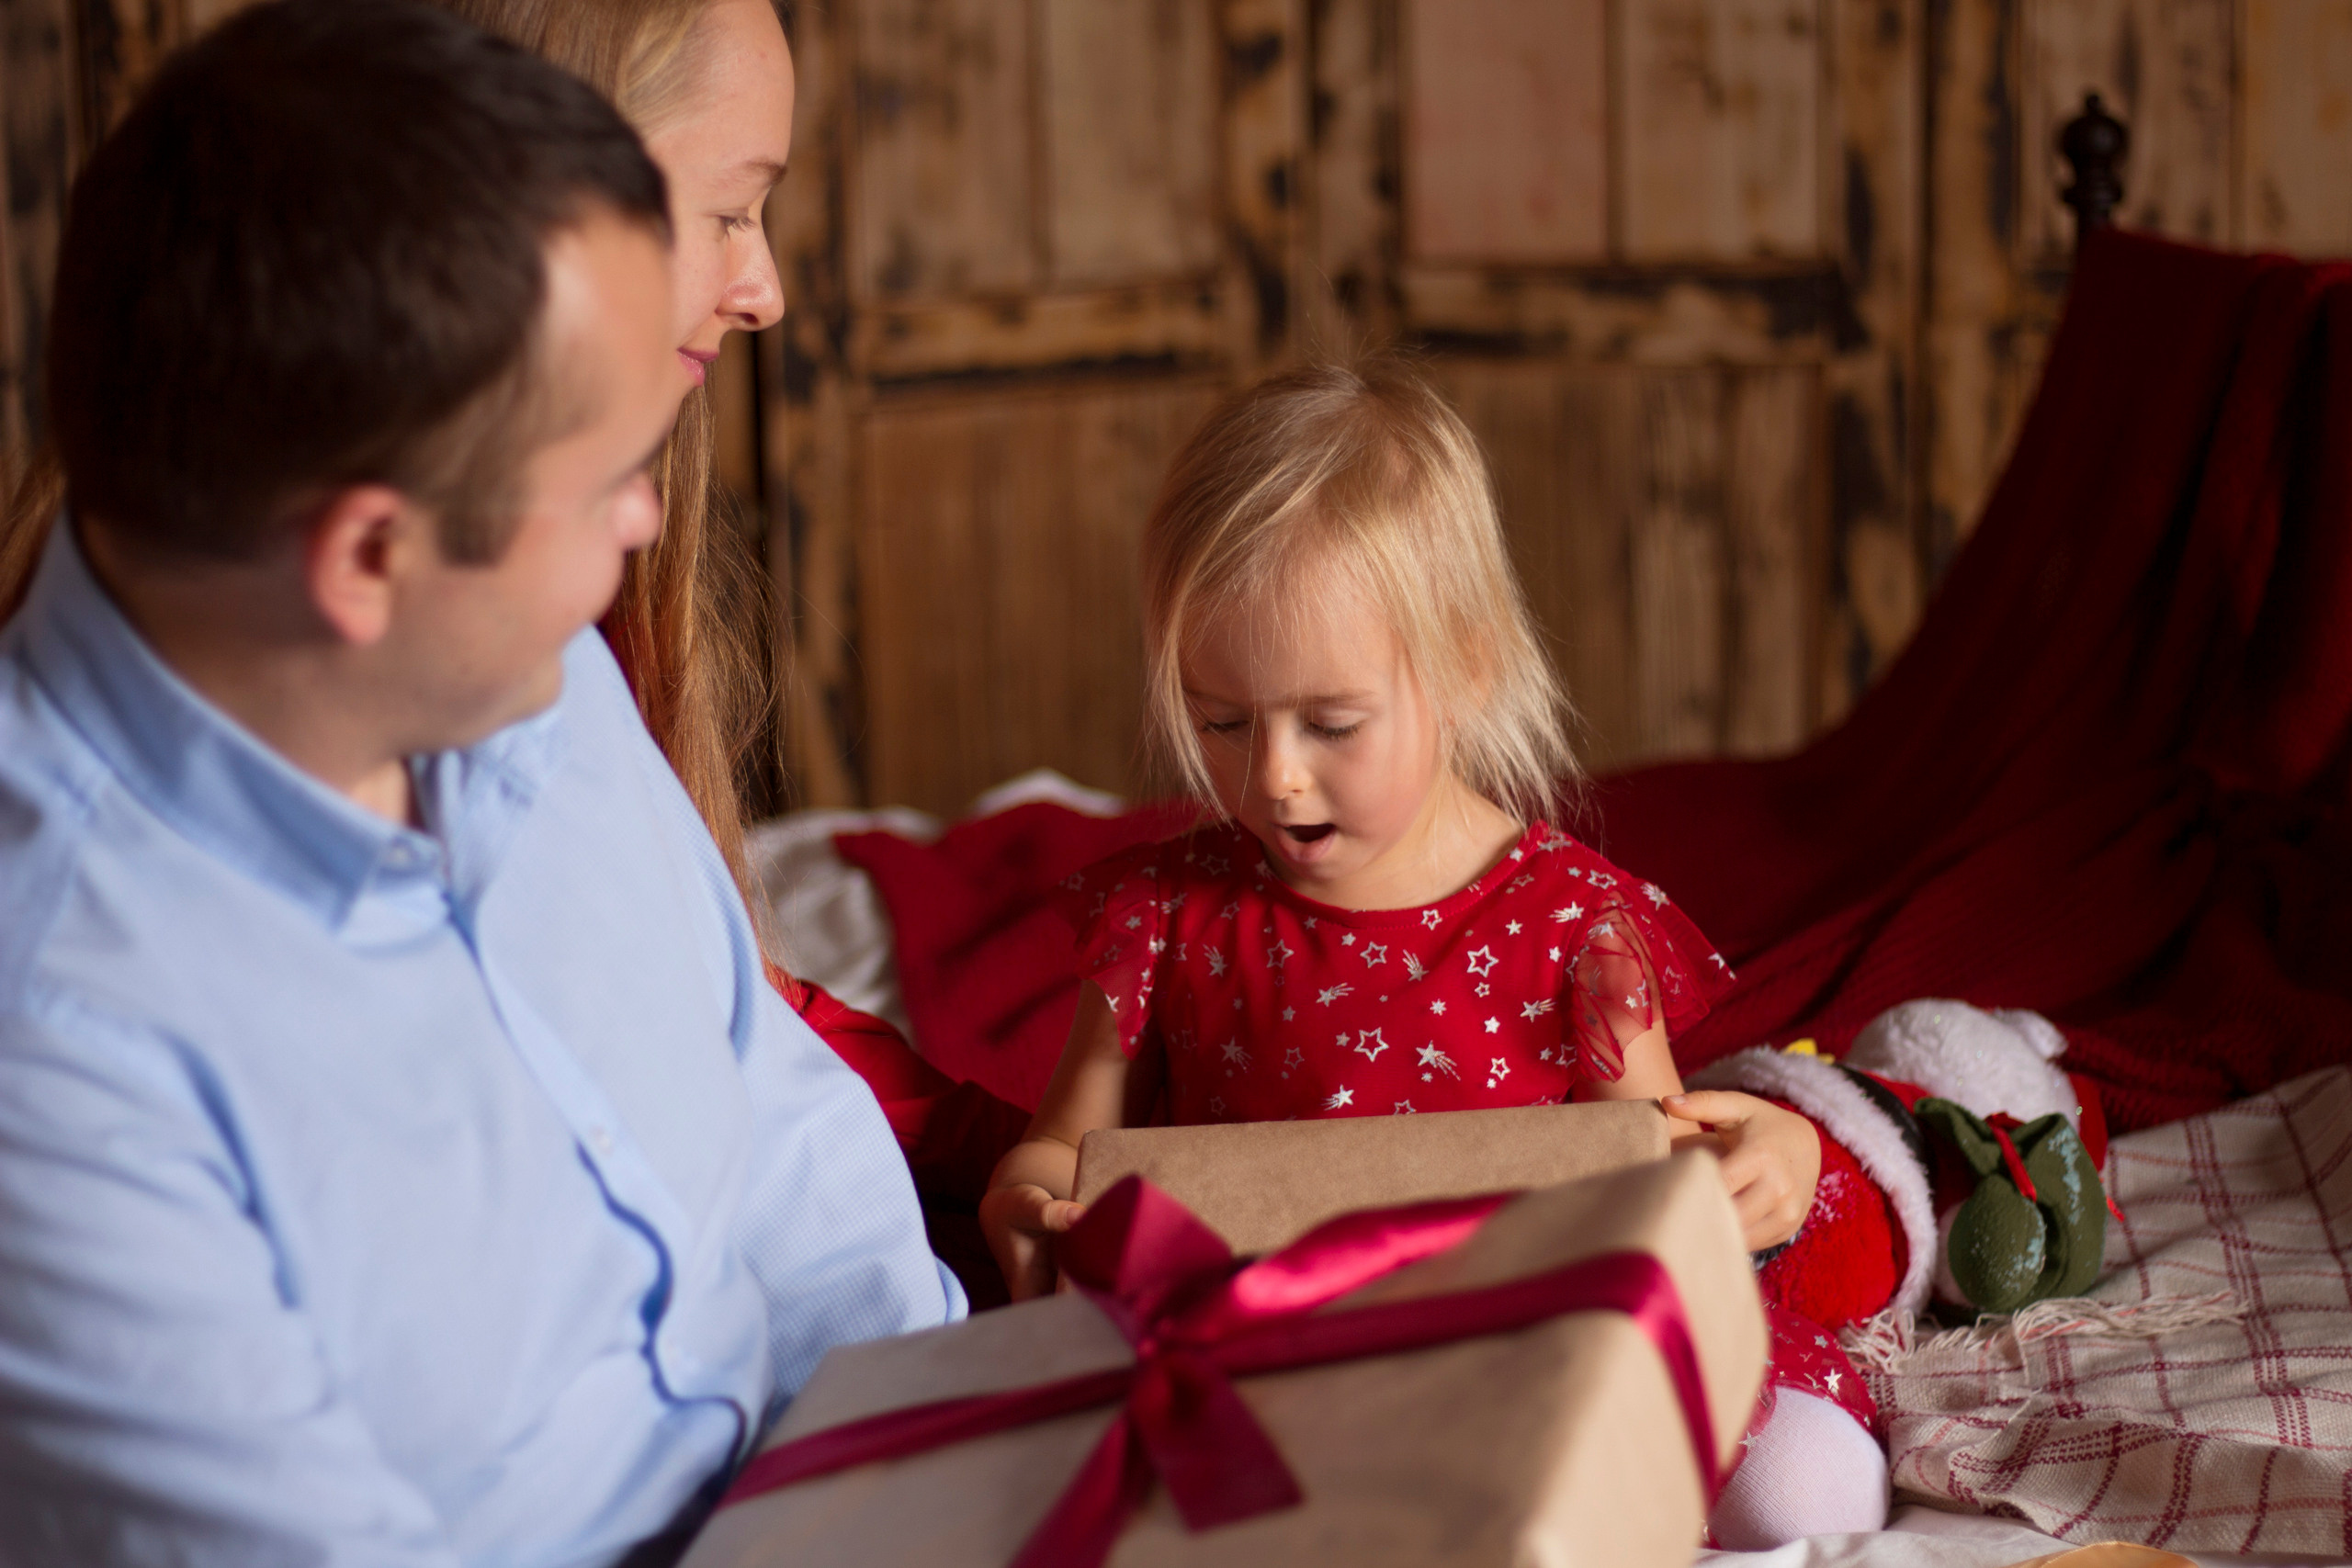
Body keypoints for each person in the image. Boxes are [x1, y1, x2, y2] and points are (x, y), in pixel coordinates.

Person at [0, 2, 959, 1561]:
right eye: (603, 486)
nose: (644, 529)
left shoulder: (509, 651)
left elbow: (784, 1133)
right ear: (369, 558)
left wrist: (987, 1438)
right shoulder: (59, 1053)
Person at [977, 361, 1890, 1546]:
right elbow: (1067, 1138)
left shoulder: (1573, 926)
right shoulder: (1168, 917)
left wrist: (1767, 1152)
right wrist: (1029, 1192)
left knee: (1795, 1486)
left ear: (1462, 666)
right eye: (1221, 721)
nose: (1273, 776)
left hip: (1541, 1348)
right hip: (1273, 1365)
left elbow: (1657, 1154)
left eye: (1330, 723)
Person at [430, 0, 1032, 1263]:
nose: (763, 291)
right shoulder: (458, 657)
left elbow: (718, 999)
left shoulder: (582, 597)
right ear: (554, 203)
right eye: (730, 212)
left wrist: (994, 1144)